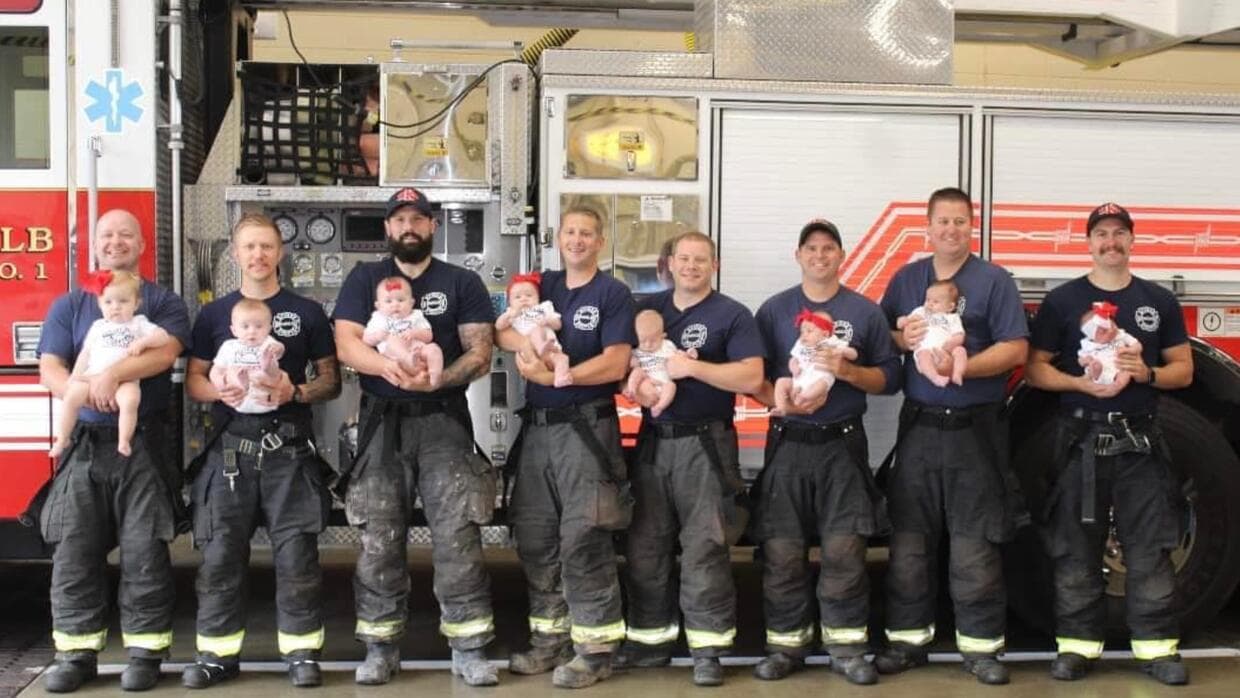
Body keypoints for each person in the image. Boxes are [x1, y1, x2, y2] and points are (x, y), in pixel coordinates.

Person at [333, 187, 498, 687]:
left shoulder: (461, 281)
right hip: (382, 422)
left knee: (458, 536)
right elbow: (345, 342)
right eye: (399, 219)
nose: (409, 226)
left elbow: (480, 351)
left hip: (443, 420)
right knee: (379, 538)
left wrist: (439, 377)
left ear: (432, 226)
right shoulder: (364, 280)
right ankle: (381, 648)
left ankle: (469, 649)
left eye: (418, 219)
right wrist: (387, 366)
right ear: (388, 229)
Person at [1025, 202, 1193, 686]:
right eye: (1102, 233)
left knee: (1149, 548)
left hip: (1140, 439)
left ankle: (1157, 649)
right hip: (1080, 439)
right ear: (1089, 242)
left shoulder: (1157, 301)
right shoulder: (1062, 301)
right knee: (1076, 549)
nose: (1111, 242)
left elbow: (1183, 369)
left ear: (1132, 241)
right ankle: (1077, 648)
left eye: (1120, 233)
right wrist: (1080, 385)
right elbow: (1036, 369)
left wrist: (1149, 372)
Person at [181, 213, 340, 688]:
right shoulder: (213, 315)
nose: (258, 255)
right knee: (219, 557)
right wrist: (217, 393)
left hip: (289, 451)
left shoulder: (306, 313)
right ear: (235, 254)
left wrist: (296, 393)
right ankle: (216, 655)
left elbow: (330, 381)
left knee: (297, 557)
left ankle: (301, 653)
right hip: (231, 452)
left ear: (281, 252)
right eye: (249, 247)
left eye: (267, 246)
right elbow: (193, 379)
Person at [878, 187, 1029, 685]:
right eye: (942, 221)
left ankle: (981, 648)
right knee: (910, 540)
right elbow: (882, 337)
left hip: (975, 431)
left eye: (960, 222)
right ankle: (907, 641)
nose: (951, 230)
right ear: (928, 227)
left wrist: (961, 369)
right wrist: (907, 339)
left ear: (972, 226)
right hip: (920, 425)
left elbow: (1014, 350)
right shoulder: (907, 279)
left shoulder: (994, 281)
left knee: (974, 541)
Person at [36, 209, 190, 692]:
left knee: (146, 550)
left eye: (126, 234)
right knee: (74, 550)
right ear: (92, 244)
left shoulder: (163, 302)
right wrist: (83, 389)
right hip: (84, 445)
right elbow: (50, 368)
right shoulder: (70, 305)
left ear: (142, 244)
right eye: (107, 234)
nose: (115, 241)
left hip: (142, 442)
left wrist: (112, 377)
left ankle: (145, 653)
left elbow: (164, 354)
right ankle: (75, 653)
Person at [750, 220, 900, 685]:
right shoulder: (774, 311)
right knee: (782, 552)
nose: (820, 256)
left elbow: (889, 379)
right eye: (811, 248)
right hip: (789, 444)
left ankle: (847, 646)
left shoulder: (864, 311)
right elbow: (755, 376)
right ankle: (786, 646)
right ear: (799, 255)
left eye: (828, 248)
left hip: (842, 444)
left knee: (844, 550)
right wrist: (780, 400)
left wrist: (849, 374)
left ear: (841, 255)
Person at [618, 231, 764, 687]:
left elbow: (753, 374)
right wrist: (632, 385)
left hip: (706, 445)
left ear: (714, 266)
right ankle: (648, 642)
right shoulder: (649, 312)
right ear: (669, 263)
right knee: (645, 546)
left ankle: (707, 650)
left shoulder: (732, 315)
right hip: (653, 442)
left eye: (701, 259)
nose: (692, 266)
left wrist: (694, 368)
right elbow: (620, 364)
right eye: (684, 258)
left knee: (705, 547)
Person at [497, 207, 634, 689]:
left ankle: (595, 651)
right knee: (535, 537)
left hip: (586, 429)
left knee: (585, 537)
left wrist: (565, 376)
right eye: (570, 232)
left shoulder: (613, 293)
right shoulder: (543, 284)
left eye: (586, 234)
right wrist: (529, 356)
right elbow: (503, 326)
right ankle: (548, 641)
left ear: (600, 241)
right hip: (538, 431)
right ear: (558, 239)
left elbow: (617, 362)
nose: (576, 240)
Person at [49, 270, 170, 458]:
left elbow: (162, 337)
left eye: (123, 301)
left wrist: (144, 342)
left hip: (126, 380)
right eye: (108, 302)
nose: (116, 307)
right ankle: (62, 438)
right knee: (71, 397)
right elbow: (85, 354)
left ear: (136, 303)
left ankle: (124, 441)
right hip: (91, 377)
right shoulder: (98, 327)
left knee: (130, 401)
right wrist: (74, 377)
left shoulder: (139, 323)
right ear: (100, 304)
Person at [362, 275, 444, 388]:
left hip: (418, 351)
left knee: (434, 348)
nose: (395, 304)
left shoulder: (416, 316)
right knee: (392, 340)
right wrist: (377, 336)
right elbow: (366, 340)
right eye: (388, 301)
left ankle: (435, 377)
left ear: (411, 303)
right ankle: (408, 359)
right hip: (396, 358)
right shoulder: (378, 319)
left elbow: (429, 336)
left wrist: (415, 333)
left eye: (400, 300)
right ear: (378, 306)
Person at [771, 309, 858, 416]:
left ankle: (802, 398)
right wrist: (793, 367)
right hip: (799, 378)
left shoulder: (831, 343)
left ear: (825, 334)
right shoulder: (801, 344)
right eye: (802, 331)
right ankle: (781, 408)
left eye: (809, 331)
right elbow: (793, 359)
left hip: (819, 378)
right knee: (781, 382)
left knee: (820, 386)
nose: (804, 335)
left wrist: (843, 351)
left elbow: (854, 355)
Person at [207, 299, 285, 414]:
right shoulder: (229, 346)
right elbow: (216, 369)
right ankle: (243, 382)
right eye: (245, 326)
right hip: (239, 398)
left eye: (259, 326)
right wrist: (221, 384)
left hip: (265, 395)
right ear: (234, 330)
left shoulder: (267, 342)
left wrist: (278, 349)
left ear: (269, 329)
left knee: (273, 371)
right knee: (231, 373)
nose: (252, 331)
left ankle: (266, 365)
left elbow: (280, 351)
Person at [495, 271, 571, 387]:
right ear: (509, 302)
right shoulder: (513, 314)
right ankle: (545, 353)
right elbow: (498, 326)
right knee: (534, 334)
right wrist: (508, 316)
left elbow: (558, 324)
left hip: (550, 346)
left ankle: (561, 376)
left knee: (559, 358)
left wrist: (547, 321)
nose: (523, 299)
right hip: (530, 352)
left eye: (529, 295)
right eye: (517, 297)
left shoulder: (543, 308)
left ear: (538, 298)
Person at [623, 309, 690, 418]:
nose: (648, 345)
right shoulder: (636, 351)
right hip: (645, 378)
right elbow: (630, 365)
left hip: (663, 383)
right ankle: (631, 391)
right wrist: (632, 362)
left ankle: (659, 406)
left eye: (653, 340)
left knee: (671, 386)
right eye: (643, 341)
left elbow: (679, 356)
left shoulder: (667, 346)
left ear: (663, 336)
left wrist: (688, 354)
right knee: (637, 371)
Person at [901, 279, 968, 388]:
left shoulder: (952, 318)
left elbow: (959, 334)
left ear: (950, 307)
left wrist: (953, 342)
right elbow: (907, 321)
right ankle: (935, 377)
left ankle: (957, 373)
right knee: (923, 355)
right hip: (925, 350)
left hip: (947, 352)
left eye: (936, 302)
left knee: (961, 351)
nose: (930, 304)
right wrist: (902, 322)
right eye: (927, 300)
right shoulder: (921, 311)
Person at [1076, 301, 1141, 388]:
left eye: (1113, 325)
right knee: (1095, 368)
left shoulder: (1121, 335)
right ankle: (1097, 373)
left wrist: (1129, 350)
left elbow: (1137, 345)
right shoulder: (1088, 345)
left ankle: (1118, 383)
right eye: (1104, 331)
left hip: (1120, 366)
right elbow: (1080, 359)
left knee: (1125, 373)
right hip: (1101, 368)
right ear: (1092, 337)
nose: (1111, 331)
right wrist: (1085, 360)